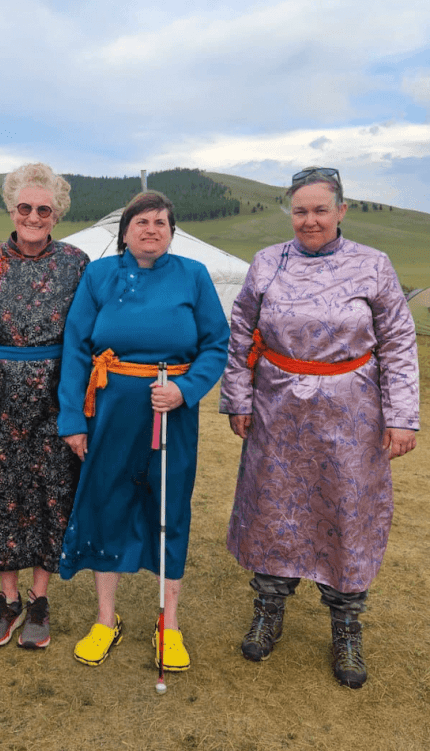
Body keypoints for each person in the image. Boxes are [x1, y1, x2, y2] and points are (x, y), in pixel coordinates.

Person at [220, 167, 419, 689]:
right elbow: (242, 331)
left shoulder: (373, 266)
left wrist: (401, 416)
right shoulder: (267, 263)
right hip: (277, 411)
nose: (310, 220)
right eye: (301, 210)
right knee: (273, 507)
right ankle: (269, 610)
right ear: (291, 212)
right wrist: (238, 398)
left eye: (320, 209)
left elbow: (398, 341)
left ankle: (347, 625)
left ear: (341, 211)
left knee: (347, 511)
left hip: (352, 413)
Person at [57, 191, 229, 671]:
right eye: (142, 222)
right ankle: (105, 619)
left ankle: (168, 623)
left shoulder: (192, 275)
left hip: (171, 411)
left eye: (161, 222)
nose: (152, 229)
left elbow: (217, 343)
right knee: (106, 502)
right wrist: (72, 418)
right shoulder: (99, 274)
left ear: (172, 231)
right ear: (125, 230)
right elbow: (75, 347)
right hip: (110, 409)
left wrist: (186, 389)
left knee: (170, 506)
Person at [0, 163, 89, 649]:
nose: (34, 216)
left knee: (51, 492)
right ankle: (7, 598)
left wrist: (82, 404)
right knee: (0, 492)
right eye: (25, 207)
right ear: (11, 209)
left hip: (57, 395)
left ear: (56, 214)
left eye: (44, 209)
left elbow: (85, 337)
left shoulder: (76, 262)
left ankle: (39, 600)